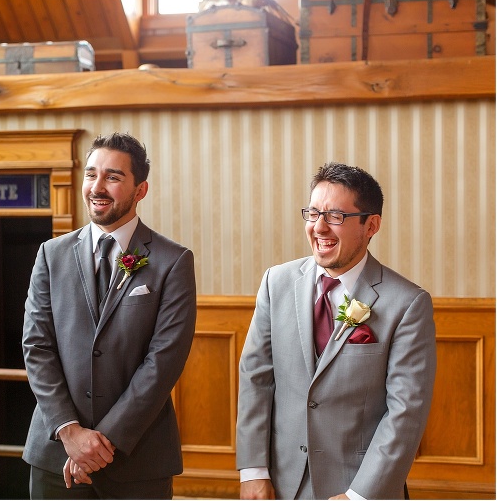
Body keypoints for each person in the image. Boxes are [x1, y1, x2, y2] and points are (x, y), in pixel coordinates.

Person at [236, 162, 437, 500]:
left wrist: (358, 495)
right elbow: (255, 378)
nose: (319, 227)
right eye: (313, 213)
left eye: (335, 216)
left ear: (371, 225)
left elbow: (406, 412)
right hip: (280, 484)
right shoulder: (276, 282)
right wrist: (254, 471)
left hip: (359, 485)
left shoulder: (408, 304)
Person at [22, 132, 197, 499]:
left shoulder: (173, 261)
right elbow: (37, 347)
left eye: (113, 177)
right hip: (56, 455)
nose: (97, 187)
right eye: (91, 174)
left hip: (137, 458)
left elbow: (164, 361)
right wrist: (70, 432)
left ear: (140, 190)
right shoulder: (51, 255)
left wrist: (101, 444)